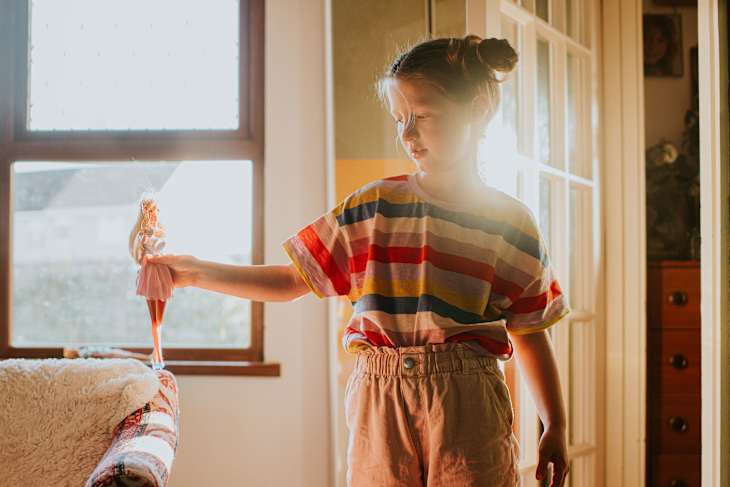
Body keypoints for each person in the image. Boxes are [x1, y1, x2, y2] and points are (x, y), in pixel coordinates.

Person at [148, 34, 571, 487]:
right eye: (399, 119)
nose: (407, 134)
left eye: (424, 116)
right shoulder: (372, 206)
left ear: (480, 108)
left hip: (468, 408)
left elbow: (530, 334)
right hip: (378, 402)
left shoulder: (511, 222)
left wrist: (556, 424)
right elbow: (292, 280)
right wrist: (192, 271)